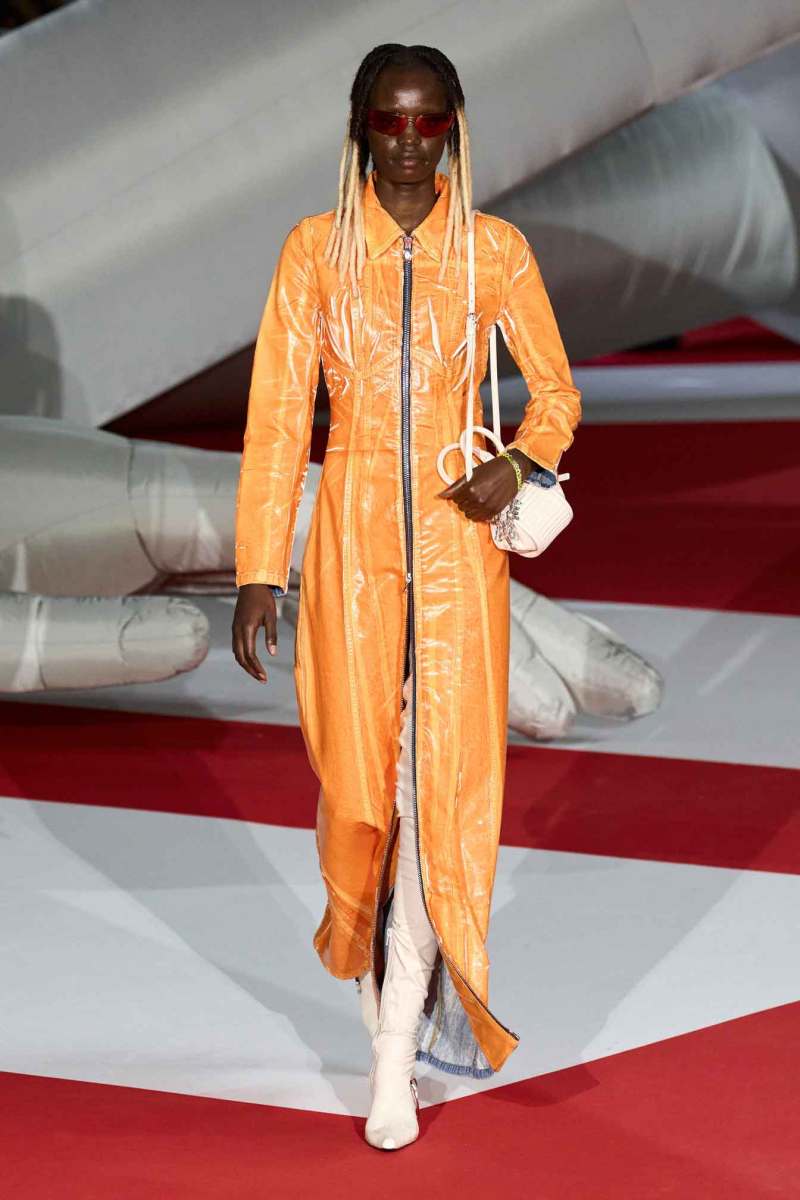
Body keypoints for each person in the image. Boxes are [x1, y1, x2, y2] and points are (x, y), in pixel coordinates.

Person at [232, 43, 581, 1151]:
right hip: (347, 550)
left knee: (443, 792)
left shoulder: (495, 251)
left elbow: (558, 395)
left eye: (429, 123)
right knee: (356, 794)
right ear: (360, 127)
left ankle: (393, 1053)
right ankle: (382, 986)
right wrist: (257, 567)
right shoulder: (314, 252)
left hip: (458, 553)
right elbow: (278, 419)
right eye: (390, 120)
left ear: (455, 130)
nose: (409, 142)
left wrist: (518, 464)